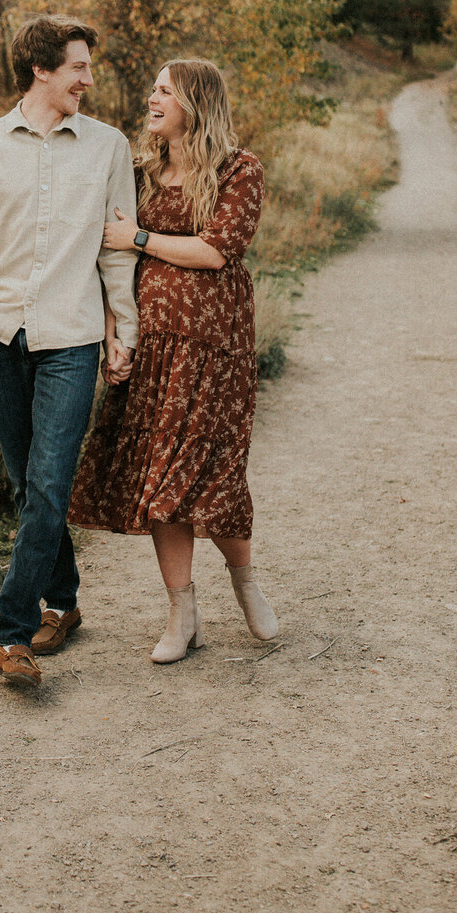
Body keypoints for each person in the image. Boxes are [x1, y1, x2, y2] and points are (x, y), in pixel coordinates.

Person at [0, 14, 139, 688]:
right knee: (30, 485)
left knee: (50, 484)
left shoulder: (109, 147)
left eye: (87, 66)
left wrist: (124, 331)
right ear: (41, 70)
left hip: (73, 338)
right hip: (0, 334)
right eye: (78, 67)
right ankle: (66, 603)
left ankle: (13, 637)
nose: (89, 78)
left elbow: (116, 251)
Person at [68, 58, 279, 662]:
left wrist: (137, 238)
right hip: (154, 347)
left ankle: (245, 583)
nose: (152, 97)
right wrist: (117, 334)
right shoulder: (138, 173)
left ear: (195, 100)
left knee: (212, 475)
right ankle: (181, 614)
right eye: (154, 88)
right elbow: (112, 269)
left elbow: (216, 252)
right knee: (160, 479)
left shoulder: (240, 170)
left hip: (215, 350)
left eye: (164, 90)